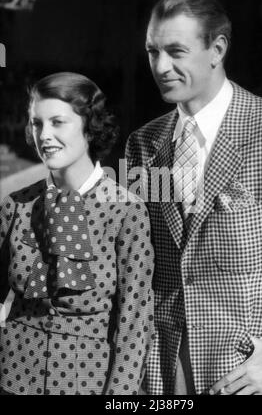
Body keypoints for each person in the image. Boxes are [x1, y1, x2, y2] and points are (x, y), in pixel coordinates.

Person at [125, 0, 262, 395]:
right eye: (153, 51)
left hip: (247, 375)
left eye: (176, 51)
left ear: (216, 49)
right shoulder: (142, 144)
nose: (161, 66)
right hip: (159, 373)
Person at [0, 72, 155, 395]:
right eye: (37, 123)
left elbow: (135, 324)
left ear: (89, 126)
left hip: (88, 385)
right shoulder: (16, 205)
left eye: (58, 122)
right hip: (12, 382)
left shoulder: (125, 211)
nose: (44, 135)